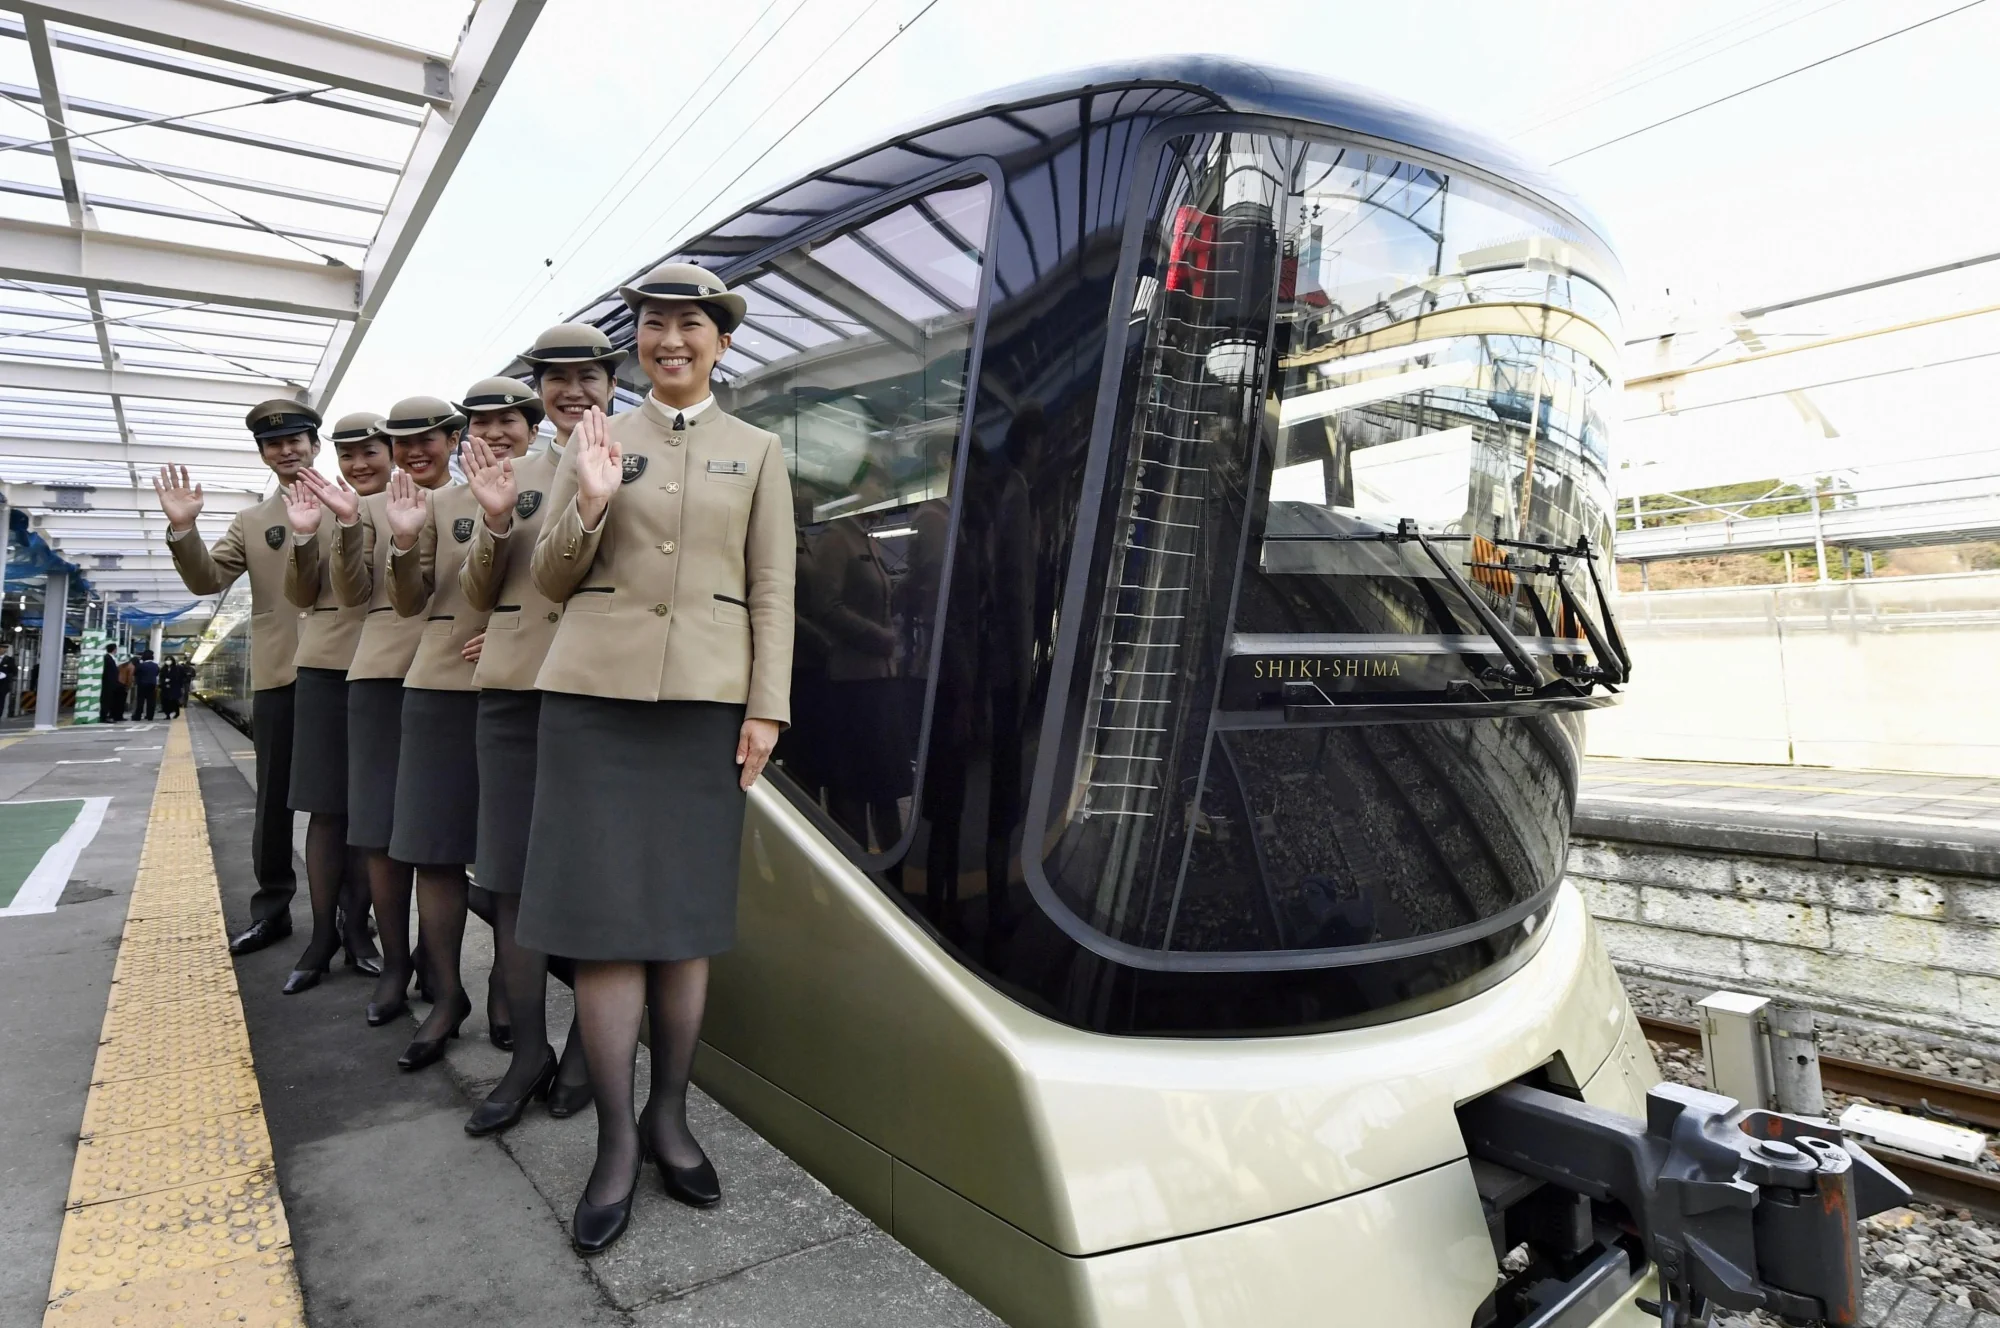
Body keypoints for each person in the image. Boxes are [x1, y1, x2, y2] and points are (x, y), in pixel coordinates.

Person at [518, 263, 794, 1255]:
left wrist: (767, 705)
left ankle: (671, 1115)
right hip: (592, 704)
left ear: (719, 341)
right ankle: (615, 1145)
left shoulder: (757, 451)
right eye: (651, 325)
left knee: (682, 928)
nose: (668, 340)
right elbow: (548, 575)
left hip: (706, 713)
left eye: (688, 326)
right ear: (635, 341)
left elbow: (773, 588)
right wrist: (588, 500)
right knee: (603, 932)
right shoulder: (596, 440)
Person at [458, 329, 623, 1135]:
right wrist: (492, 526)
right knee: (511, 880)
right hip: (516, 693)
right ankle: (530, 1054)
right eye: (555, 381)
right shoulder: (509, 475)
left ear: (610, 382)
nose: (571, 392)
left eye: (586, 376)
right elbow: (482, 591)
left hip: (602, 691)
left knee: (589, 875)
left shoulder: (643, 457)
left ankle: (591, 1049)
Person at [379, 391, 510, 1073]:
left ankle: (508, 990)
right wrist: (402, 540)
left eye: (505, 422)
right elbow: (407, 599)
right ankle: (448, 995)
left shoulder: (569, 484)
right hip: (438, 685)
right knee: (434, 852)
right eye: (481, 424)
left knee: (512, 860)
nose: (493, 434)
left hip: (523, 690)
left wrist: (515, 633)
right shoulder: (438, 504)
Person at [301, 399, 443, 1029]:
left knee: (446, 834)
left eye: (426, 439)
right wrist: (350, 527)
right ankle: (393, 964)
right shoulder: (360, 509)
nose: (414, 451)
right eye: (402, 441)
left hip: (456, 675)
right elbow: (354, 592)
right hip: (382, 669)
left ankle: (436, 960)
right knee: (379, 831)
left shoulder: (482, 499)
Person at [156, 402, 314, 952]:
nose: (287, 450)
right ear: (265, 456)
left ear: (314, 444)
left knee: (348, 805)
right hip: (280, 674)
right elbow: (207, 578)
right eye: (275, 445)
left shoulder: (358, 503)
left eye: (296, 439)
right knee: (273, 802)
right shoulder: (252, 522)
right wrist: (183, 528)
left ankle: (353, 917)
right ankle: (273, 909)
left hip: (351, 672)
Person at [277, 411, 394, 994]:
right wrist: (304, 535)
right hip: (327, 663)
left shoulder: (422, 503)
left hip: (396, 668)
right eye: (348, 456)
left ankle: (360, 933)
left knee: (372, 816)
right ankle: (323, 934)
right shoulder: (317, 504)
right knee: (326, 811)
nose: (359, 464)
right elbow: (299, 591)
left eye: (371, 451)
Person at [97, 643, 121, 723]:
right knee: (106, 700)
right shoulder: (107, 658)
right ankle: (104, 716)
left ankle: (109, 715)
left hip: (112, 683)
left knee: (110, 699)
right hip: (108, 683)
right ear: (114, 649)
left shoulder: (111, 658)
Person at [133, 650, 160, 721]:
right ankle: (150, 716)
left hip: (142, 685)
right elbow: (157, 673)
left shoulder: (141, 665)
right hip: (152, 685)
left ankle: (138, 716)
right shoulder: (155, 665)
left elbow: (135, 673)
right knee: (151, 701)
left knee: (140, 701)